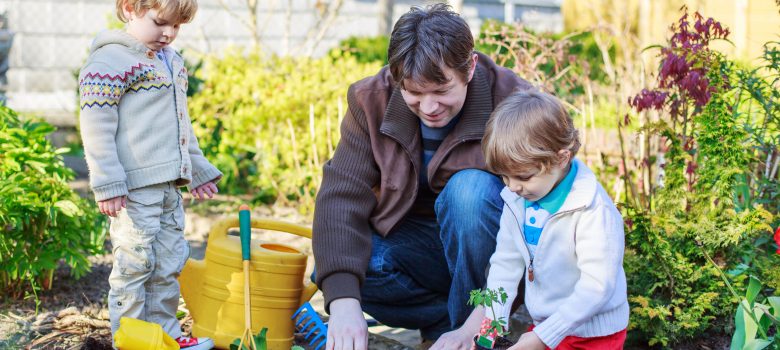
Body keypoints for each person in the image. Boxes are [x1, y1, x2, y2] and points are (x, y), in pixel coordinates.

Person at [311, 3, 531, 350]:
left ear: (470, 66)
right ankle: (446, 325)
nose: (429, 107)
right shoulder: (370, 100)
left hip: (494, 254)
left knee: (468, 193)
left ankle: (479, 333)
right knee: (346, 272)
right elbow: (342, 195)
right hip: (418, 248)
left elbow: (546, 205)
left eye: (441, 91)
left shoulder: (515, 102)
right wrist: (343, 307)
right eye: (414, 92)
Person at [78, 1, 220, 348]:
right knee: (136, 264)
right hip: (134, 189)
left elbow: (180, 123)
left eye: (177, 26)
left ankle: (165, 336)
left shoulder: (171, 59)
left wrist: (197, 167)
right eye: (160, 23)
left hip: (169, 187)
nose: (168, 33)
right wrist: (108, 182)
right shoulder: (109, 62)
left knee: (169, 262)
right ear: (130, 9)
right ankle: (130, 340)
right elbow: (96, 126)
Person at [448, 90, 629, 350]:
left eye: (523, 177)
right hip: (545, 328)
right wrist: (492, 327)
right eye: (504, 177)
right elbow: (504, 266)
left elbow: (597, 287)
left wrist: (543, 337)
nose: (511, 187)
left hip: (593, 334)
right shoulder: (517, 201)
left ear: (561, 158)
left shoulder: (591, 210)